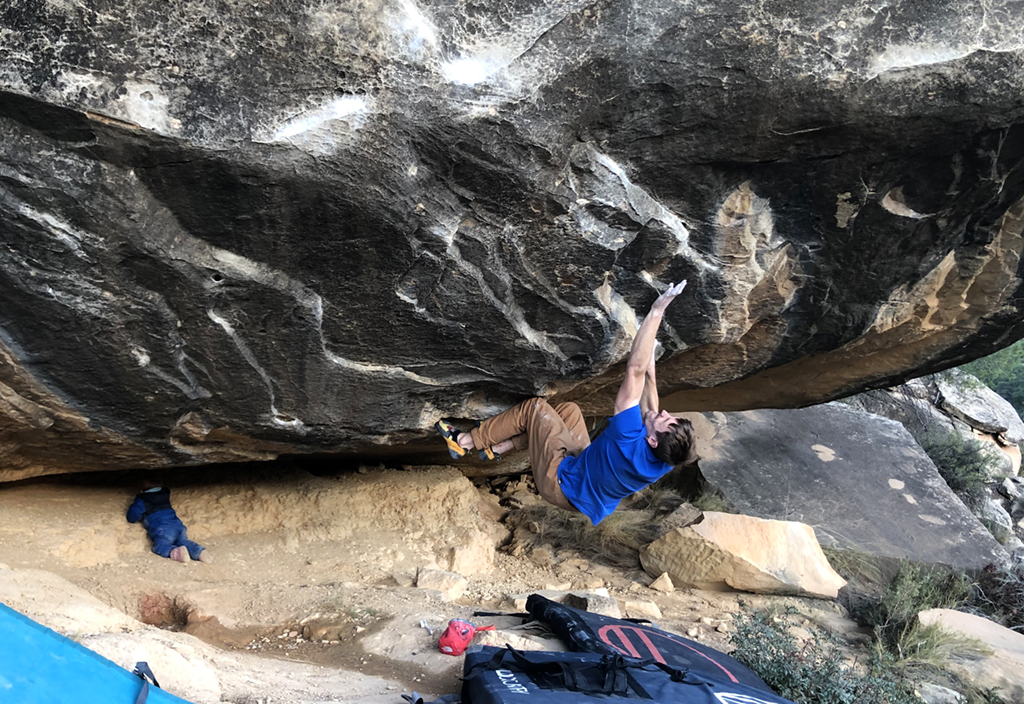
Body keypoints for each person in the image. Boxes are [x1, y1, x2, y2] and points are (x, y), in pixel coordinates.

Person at [436, 280, 697, 524]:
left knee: (535, 409)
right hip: (584, 485)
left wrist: (656, 312)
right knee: (568, 412)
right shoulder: (665, 458)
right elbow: (649, 394)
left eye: (665, 421)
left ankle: (464, 442)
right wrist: (650, 361)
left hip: (560, 484)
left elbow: (635, 370)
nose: (663, 413)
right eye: (670, 417)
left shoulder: (627, 436)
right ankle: (500, 447)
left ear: (652, 440)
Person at [127, 484, 212, 563]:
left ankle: (176, 552)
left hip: (163, 530)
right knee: (183, 541)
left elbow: (132, 517)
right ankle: (199, 551)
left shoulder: (142, 500)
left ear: (141, 490)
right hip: (178, 526)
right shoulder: (164, 495)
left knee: (160, 546)